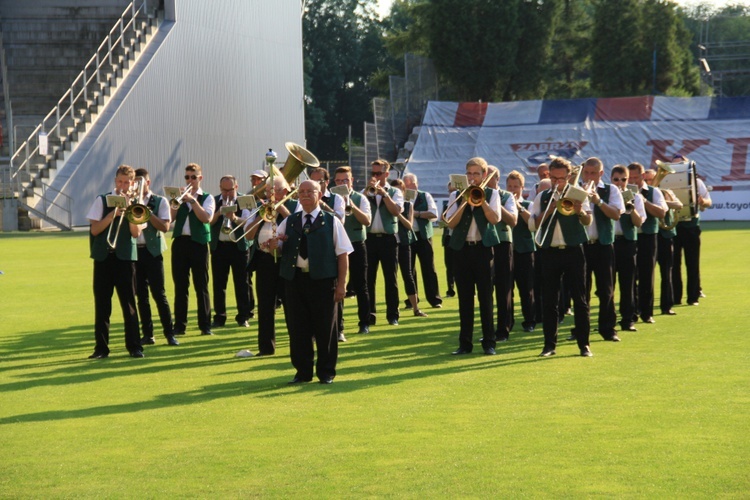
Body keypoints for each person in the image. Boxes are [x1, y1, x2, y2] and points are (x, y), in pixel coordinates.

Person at [268, 180, 353, 384]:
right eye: (302, 191)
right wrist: (272, 246)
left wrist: (342, 285)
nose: (305, 195)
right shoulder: (289, 221)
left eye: (310, 191)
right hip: (295, 280)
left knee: (326, 329)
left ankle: (326, 373)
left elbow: (343, 255)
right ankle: (302, 372)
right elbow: (276, 249)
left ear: (320, 193)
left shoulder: (332, 221)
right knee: (298, 329)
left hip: (324, 281)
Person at [528, 157, 594, 357]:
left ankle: (584, 345)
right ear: (549, 176)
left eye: (562, 178)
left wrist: (579, 210)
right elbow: (532, 225)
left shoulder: (577, 194)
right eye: (554, 178)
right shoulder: (542, 196)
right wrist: (549, 209)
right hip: (549, 251)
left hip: (574, 251)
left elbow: (588, 221)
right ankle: (549, 345)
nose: (558, 183)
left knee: (580, 300)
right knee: (549, 300)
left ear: (569, 177)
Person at [444, 157, 501, 355]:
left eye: (476, 174)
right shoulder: (457, 195)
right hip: (461, 250)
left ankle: (489, 343)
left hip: (483, 250)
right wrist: (464, 201)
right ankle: (465, 344)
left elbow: (495, 219)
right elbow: (450, 223)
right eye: (469, 174)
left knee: (486, 298)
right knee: (465, 299)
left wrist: (481, 201)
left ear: (484, 175)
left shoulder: (492, 194)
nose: (472, 177)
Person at [86, 165, 143, 359]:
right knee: (102, 305)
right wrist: (112, 215)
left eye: (127, 182)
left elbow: (136, 233)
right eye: (120, 181)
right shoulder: (102, 200)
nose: (123, 185)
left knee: (129, 304)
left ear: (132, 183)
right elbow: (94, 230)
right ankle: (101, 348)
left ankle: (135, 346)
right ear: (115, 181)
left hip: (125, 259)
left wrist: (128, 214)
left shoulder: (136, 203)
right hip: (104, 258)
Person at [243, 175, 296, 356]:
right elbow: (248, 236)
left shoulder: (294, 207)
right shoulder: (260, 207)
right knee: (265, 306)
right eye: (267, 191)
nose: (269, 194)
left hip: (286, 261)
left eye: (273, 191)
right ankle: (266, 348)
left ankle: (297, 344)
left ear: (285, 191)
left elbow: (296, 227)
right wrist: (260, 216)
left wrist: (280, 208)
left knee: (291, 305)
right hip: (264, 261)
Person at [133, 168, 178, 347]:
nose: (137, 185)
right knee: (141, 296)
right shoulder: (130, 200)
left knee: (159, 294)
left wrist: (148, 213)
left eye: (140, 182)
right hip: (135, 252)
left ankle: (169, 333)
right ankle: (148, 334)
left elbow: (165, 227)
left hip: (153, 252)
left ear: (148, 183)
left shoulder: (160, 201)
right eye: (135, 182)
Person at [580, 157, 623, 342]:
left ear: (601, 174)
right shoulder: (575, 188)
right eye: (586, 172)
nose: (589, 177)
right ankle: (582, 329)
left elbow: (616, 214)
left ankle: (608, 329)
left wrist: (598, 201)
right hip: (581, 246)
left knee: (606, 289)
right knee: (582, 291)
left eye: (593, 173)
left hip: (603, 245)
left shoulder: (610, 189)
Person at [171, 163, 215, 336]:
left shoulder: (207, 197)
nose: (190, 180)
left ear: (200, 178)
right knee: (180, 286)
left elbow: (206, 218)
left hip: (199, 244)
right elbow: (171, 217)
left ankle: (205, 325)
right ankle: (180, 325)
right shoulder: (179, 197)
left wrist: (193, 200)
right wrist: (177, 201)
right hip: (181, 242)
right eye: (187, 177)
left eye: (193, 177)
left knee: (201, 285)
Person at [209, 175, 253, 328]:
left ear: (236, 187)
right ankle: (219, 317)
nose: (227, 193)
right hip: (219, 246)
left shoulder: (244, 200)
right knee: (219, 284)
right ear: (220, 188)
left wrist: (233, 218)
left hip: (239, 247)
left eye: (230, 190)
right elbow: (209, 222)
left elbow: (248, 223)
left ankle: (243, 316)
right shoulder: (214, 200)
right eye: (224, 190)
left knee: (242, 283)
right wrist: (219, 213)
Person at [334, 166, 372, 334]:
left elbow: (366, 221)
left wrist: (351, 204)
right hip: (338, 247)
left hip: (357, 244)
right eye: (339, 181)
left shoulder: (361, 198)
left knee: (361, 285)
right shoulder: (331, 198)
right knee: (338, 286)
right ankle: (338, 326)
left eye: (346, 180)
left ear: (352, 181)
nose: (343, 183)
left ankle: (364, 322)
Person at [628, 162, 667, 324]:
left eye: (635, 177)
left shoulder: (653, 191)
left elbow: (661, 212)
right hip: (629, 237)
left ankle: (646, 312)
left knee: (646, 275)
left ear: (643, 176)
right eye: (629, 178)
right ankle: (632, 311)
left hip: (647, 237)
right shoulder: (621, 191)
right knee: (629, 276)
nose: (632, 181)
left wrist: (643, 201)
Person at [365, 159, 403, 326]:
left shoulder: (395, 192)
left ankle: (393, 315)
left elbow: (396, 211)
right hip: (370, 239)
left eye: (378, 173)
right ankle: (370, 315)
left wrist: (384, 194)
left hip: (388, 239)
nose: (375, 177)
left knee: (391, 278)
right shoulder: (365, 191)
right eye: (373, 173)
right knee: (369, 279)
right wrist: (368, 190)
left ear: (387, 174)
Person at [672, 156, 712, 306]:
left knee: (692, 263)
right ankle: (675, 297)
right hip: (674, 227)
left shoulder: (697, 182)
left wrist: (702, 202)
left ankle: (693, 296)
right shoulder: (666, 181)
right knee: (674, 265)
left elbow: (708, 201)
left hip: (691, 226)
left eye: (681, 165)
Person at [611, 165, 645, 332]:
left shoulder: (635, 196)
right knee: (608, 285)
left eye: (623, 179)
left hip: (627, 243)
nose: (620, 183)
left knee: (628, 283)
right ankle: (609, 320)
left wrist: (630, 206)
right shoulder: (608, 195)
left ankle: (627, 319)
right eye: (616, 179)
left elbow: (639, 223)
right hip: (609, 243)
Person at [486, 165, 518, 342]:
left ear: (497, 179)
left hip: (503, 244)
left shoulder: (507, 196)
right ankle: (488, 330)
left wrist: (496, 201)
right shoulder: (479, 193)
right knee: (486, 288)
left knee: (504, 287)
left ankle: (503, 329)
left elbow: (513, 220)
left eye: (489, 176)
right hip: (485, 244)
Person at [402, 173, 442, 309]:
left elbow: (434, 214)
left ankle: (435, 299)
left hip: (424, 236)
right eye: (406, 184)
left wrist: (417, 214)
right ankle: (412, 299)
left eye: (411, 183)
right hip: (408, 236)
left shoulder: (425, 196)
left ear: (416, 184)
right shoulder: (400, 197)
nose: (409, 186)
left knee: (429, 268)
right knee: (409, 269)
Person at [647, 168, 682, 315]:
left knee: (666, 272)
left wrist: (660, 202)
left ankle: (666, 305)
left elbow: (679, 205)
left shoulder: (666, 191)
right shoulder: (644, 193)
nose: (650, 182)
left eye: (652, 179)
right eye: (647, 180)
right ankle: (644, 307)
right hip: (650, 235)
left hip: (665, 236)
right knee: (646, 274)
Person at [391, 179, 428, 317]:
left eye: (399, 190)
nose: (397, 193)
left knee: (408, 274)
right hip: (390, 243)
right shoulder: (386, 203)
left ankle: (415, 308)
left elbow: (409, 225)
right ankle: (394, 310)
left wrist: (397, 212)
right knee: (391, 277)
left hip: (404, 243)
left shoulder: (408, 205)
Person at [507, 170, 536, 333]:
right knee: (507, 289)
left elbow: (531, 223)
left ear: (522, 188)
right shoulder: (502, 203)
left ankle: (530, 320)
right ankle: (508, 321)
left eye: (516, 186)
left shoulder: (528, 204)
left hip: (524, 251)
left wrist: (518, 207)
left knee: (526, 289)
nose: (512, 189)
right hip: (507, 251)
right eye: (510, 186)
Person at [441, 181, 457, 297]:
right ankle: (450, 289)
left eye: (453, 191)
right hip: (448, 237)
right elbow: (442, 221)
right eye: (449, 191)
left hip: (458, 237)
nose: (451, 193)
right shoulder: (447, 205)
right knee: (449, 266)